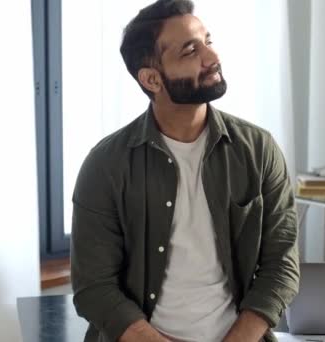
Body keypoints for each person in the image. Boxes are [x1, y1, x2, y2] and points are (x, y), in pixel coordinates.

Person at [70, 1, 300, 341]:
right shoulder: (105, 165)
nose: (212, 57)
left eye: (208, 40)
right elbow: (94, 286)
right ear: (152, 79)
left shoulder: (259, 149)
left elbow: (281, 265)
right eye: (191, 51)